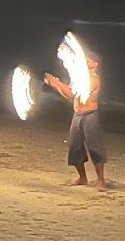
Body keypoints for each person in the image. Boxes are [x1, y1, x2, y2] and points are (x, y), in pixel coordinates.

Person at [44, 52, 108, 191]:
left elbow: (73, 92)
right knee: (75, 147)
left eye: (88, 60)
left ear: (95, 64)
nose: (85, 61)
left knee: (94, 147)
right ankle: (82, 178)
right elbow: (68, 94)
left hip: (90, 115)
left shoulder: (94, 79)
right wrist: (56, 85)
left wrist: (57, 83)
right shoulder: (79, 77)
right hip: (77, 115)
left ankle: (101, 181)